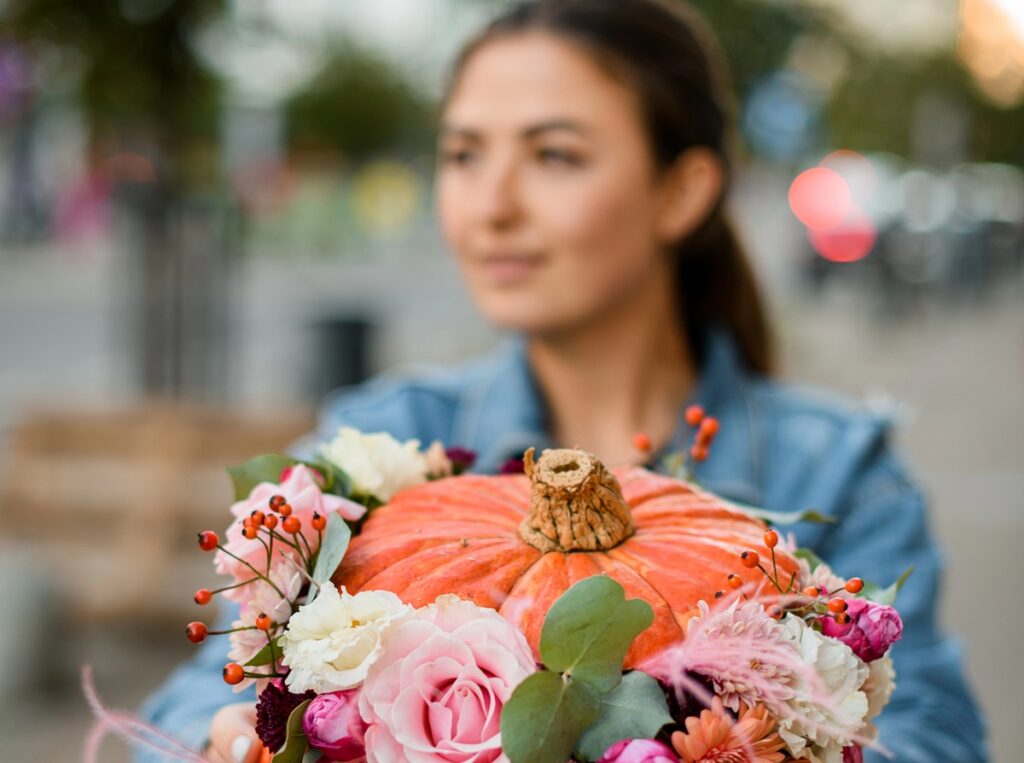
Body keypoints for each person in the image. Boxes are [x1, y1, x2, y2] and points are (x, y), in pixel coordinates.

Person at [139, 1, 988, 761]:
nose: (492, 203)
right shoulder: (383, 439)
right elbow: (199, 688)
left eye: (553, 154)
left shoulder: (835, 468)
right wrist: (218, 740)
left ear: (682, 190)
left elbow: (936, 733)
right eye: (464, 155)